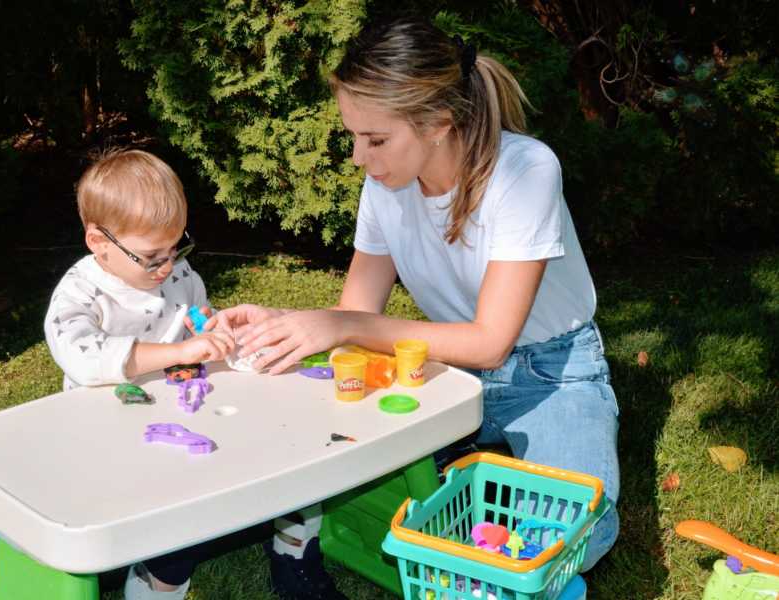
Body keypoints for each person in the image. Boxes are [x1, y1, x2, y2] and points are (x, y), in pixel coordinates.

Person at [213, 17, 620, 570]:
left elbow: (490, 343)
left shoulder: (525, 170)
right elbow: (354, 315)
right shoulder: (385, 187)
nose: (359, 158)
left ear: (438, 123)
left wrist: (344, 327)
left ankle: (483, 490)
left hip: (550, 375)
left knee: (570, 541)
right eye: (353, 137)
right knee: (366, 498)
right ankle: (475, 485)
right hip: (441, 374)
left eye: (376, 139)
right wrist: (290, 319)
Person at [44, 148, 345, 600]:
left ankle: (294, 550)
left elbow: (198, 324)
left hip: (192, 413)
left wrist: (221, 334)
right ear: (98, 243)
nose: (168, 267)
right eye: (152, 257)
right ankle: (157, 580)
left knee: (292, 454)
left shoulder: (176, 273)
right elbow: (86, 359)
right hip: (116, 436)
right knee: (176, 527)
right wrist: (181, 350)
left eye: (175, 248)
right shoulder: (80, 294)